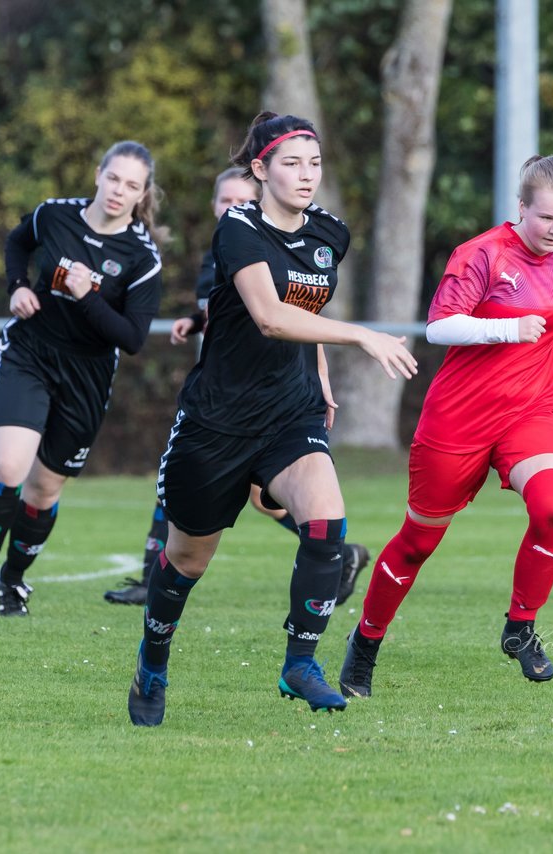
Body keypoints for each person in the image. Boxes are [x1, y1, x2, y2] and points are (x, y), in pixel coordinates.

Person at [126, 112, 418, 726]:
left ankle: (300, 662)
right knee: (186, 561)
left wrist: (322, 378)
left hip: (291, 411)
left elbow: (304, 312)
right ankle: (153, 659)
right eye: (291, 163)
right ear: (259, 170)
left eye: (314, 162)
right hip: (218, 421)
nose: (307, 175)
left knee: (327, 520)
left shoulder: (330, 233)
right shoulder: (239, 230)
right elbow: (269, 316)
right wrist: (361, 336)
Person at [337, 155, 553, 698]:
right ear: (521, 207)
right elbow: (440, 327)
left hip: (531, 409)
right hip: (458, 418)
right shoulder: (481, 255)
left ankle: (521, 627)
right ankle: (365, 643)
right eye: (545, 218)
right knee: (417, 542)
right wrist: (510, 329)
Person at [104, 167, 370, 606]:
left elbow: (291, 315)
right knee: (241, 493)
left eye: (238, 201)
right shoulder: (223, 247)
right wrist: (195, 322)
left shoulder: (275, 243)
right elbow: (228, 311)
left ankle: (335, 556)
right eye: (222, 201)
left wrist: (322, 371)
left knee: (225, 486)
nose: (230, 209)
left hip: (267, 395)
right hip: (226, 392)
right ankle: (340, 555)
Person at [0, 141, 164, 617]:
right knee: (8, 468)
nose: (118, 190)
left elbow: (131, 338)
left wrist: (86, 294)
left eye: (131, 185)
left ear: (141, 193)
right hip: (30, 353)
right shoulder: (55, 215)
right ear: (97, 174)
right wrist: (17, 286)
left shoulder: (142, 258)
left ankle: (14, 580)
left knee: (43, 491)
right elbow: (16, 242)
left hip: (86, 376)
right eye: (113, 178)